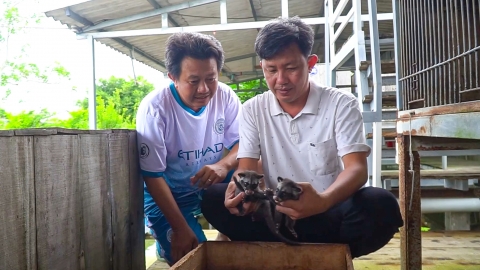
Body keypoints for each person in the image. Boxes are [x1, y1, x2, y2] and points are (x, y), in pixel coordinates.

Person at [201, 16, 404, 258]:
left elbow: (357, 169)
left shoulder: (341, 104)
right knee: (213, 198)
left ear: (310, 63)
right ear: (262, 66)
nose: (281, 80)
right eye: (271, 70)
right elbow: (246, 170)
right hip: (275, 213)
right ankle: (289, 245)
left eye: (291, 68)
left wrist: (323, 200)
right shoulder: (253, 109)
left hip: (328, 210)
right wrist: (242, 194)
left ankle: (316, 252)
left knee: (380, 204)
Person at [135, 32, 244, 266]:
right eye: (193, 81)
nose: (204, 89)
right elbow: (152, 176)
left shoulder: (225, 96)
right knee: (194, 254)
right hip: (169, 196)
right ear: (173, 76)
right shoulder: (155, 109)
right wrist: (180, 228)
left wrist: (222, 164)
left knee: (252, 173)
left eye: (211, 78)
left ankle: (226, 231)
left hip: (209, 186)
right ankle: (165, 234)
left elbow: (243, 144)